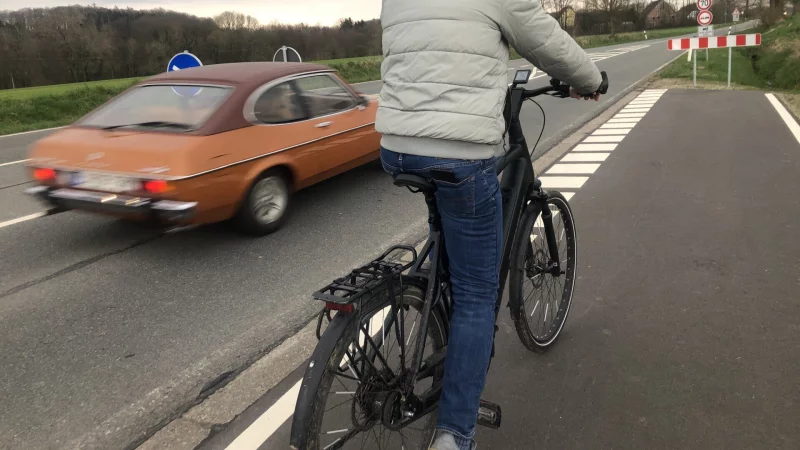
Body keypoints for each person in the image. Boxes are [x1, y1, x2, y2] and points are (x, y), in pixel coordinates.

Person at [375, 0, 604, 449]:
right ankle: (456, 435)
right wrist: (591, 79)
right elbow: (545, 40)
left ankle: (428, 308)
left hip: (397, 146)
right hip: (459, 151)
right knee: (477, 296)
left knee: (447, 236)